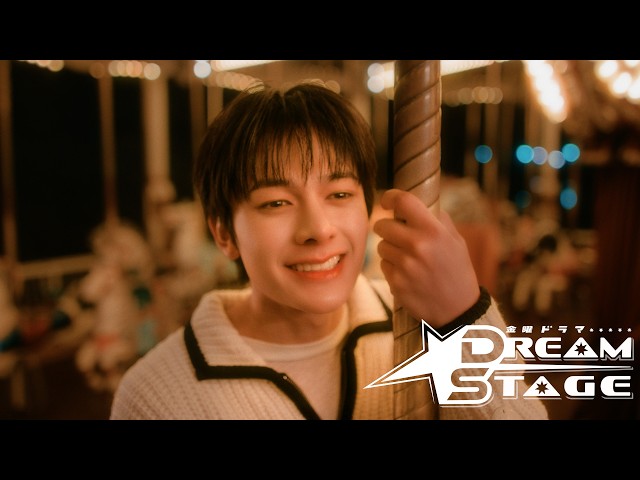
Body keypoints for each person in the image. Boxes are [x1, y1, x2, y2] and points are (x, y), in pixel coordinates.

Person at [110, 81, 549, 420]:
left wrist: (463, 316)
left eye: (339, 194)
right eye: (275, 203)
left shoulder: (420, 323)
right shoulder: (159, 393)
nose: (318, 230)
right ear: (224, 232)